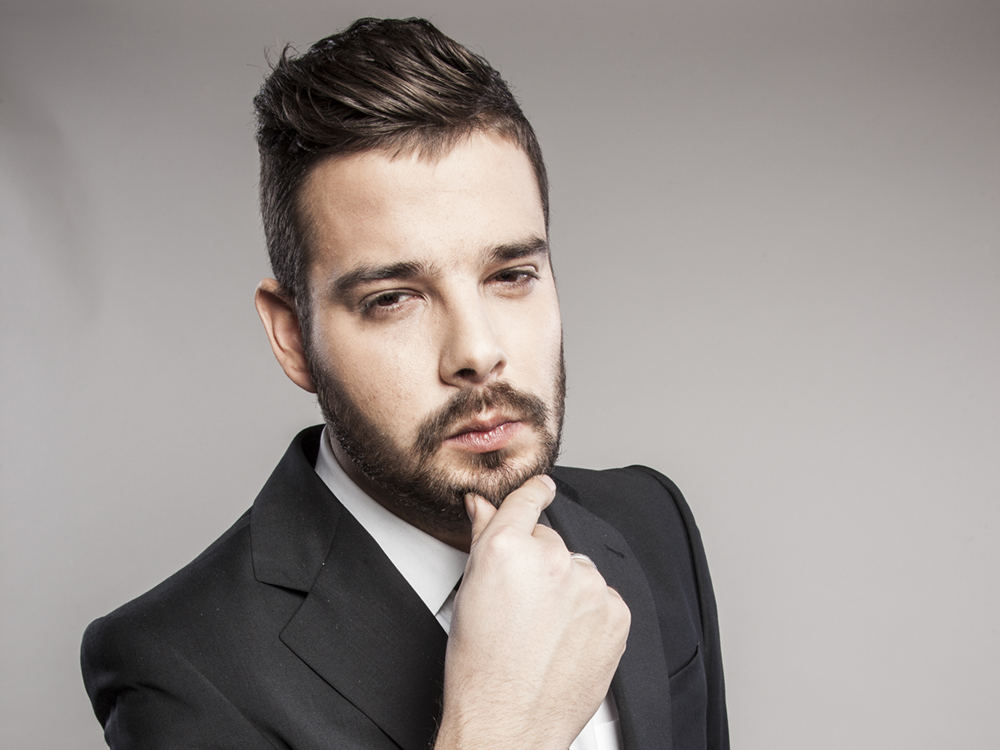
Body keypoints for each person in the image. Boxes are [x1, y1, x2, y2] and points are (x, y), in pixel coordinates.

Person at [81, 17, 728, 750]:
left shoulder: (652, 522)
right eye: (392, 298)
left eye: (511, 275)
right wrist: (499, 726)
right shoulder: (177, 668)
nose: (478, 352)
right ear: (293, 335)